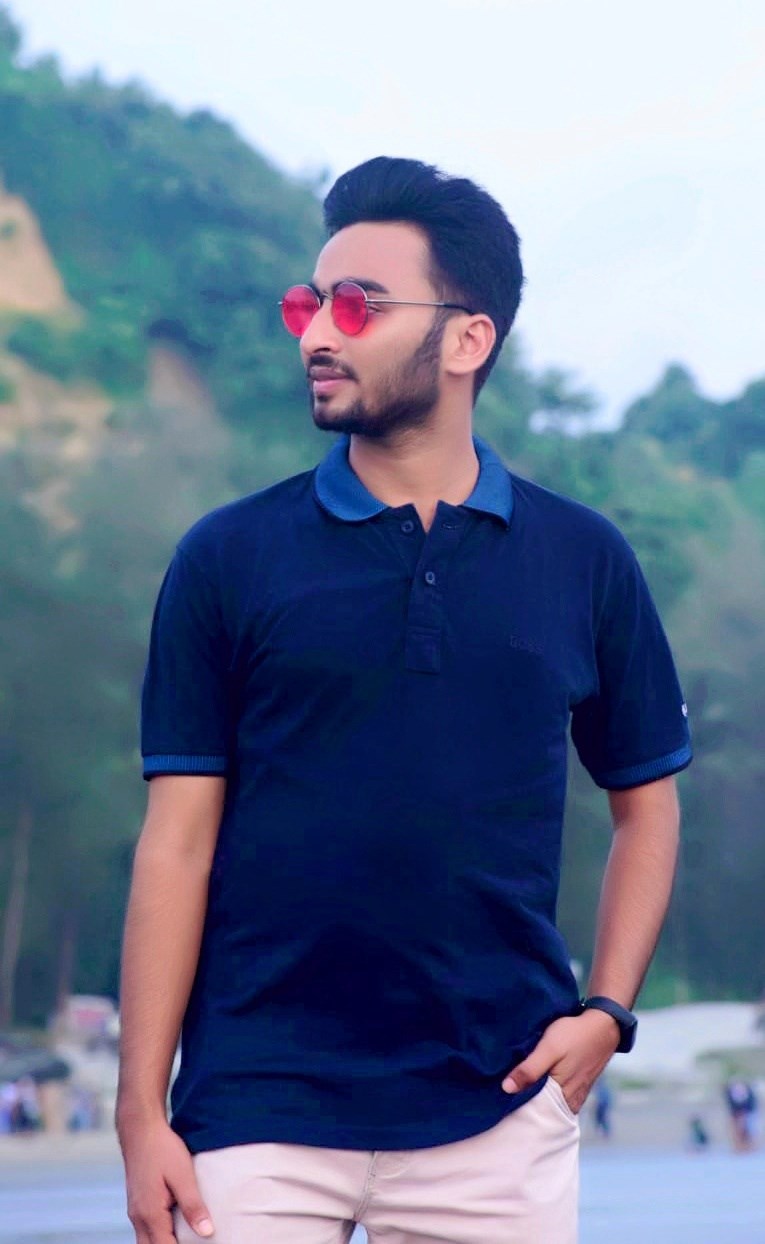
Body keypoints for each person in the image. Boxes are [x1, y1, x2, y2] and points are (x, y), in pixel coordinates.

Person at [117, 156, 692, 1244]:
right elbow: (175, 847)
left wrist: (607, 1013)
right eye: (307, 304)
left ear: (468, 339)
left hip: (501, 1107)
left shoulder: (584, 559)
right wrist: (139, 1110)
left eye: (357, 305)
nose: (315, 335)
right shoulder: (226, 556)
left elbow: (647, 806)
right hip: (256, 1109)